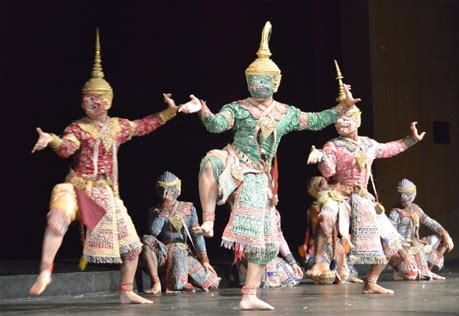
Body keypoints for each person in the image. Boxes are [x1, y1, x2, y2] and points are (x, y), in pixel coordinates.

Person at [181, 21, 360, 310]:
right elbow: (216, 126)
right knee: (210, 160)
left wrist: (343, 107)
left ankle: (249, 294)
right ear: (247, 81)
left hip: (258, 176)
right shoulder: (238, 108)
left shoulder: (285, 114)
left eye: (264, 81)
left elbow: (315, 120)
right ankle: (209, 220)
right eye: (254, 80)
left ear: (276, 82)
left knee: (262, 241)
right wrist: (203, 111)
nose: (258, 85)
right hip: (235, 161)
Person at [29, 30, 193, 304]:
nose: (92, 102)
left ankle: (126, 291)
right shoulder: (78, 128)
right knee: (58, 219)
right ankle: (46, 271)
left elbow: (143, 126)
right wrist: (52, 140)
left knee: (133, 248)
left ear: (108, 100)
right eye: (88, 97)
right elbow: (67, 148)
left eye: (98, 97)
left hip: (107, 195)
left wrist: (170, 112)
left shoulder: (118, 126)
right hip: (79, 189)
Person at [307, 105, 425, 294]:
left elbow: (389, 149)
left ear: (357, 121)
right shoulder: (333, 145)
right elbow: (328, 171)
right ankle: (318, 262)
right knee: (325, 217)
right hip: (339, 194)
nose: (340, 123)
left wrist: (411, 140)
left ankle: (370, 282)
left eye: (345, 119)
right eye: (338, 120)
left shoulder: (368, 144)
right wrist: (321, 157)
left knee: (392, 241)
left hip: (362, 197)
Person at [142, 171, 220, 293]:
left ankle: (185, 282)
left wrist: (205, 260)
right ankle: (156, 282)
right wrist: (165, 207)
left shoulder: (188, 209)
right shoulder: (155, 210)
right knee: (147, 239)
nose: (167, 194)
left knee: (213, 283)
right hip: (163, 253)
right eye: (164, 190)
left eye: (170, 190)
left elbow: (197, 236)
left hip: (182, 253)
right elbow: (154, 232)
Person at [388, 178, 454, 280]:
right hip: (401, 249)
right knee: (412, 275)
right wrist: (404, 256)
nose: (404, 197)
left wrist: (446, 234)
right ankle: (399, 271)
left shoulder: (416, 209)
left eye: (407, 195)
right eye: (401, 195)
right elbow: (391, 237)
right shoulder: (395, 213)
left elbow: (431, 222)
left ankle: (427, 271)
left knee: (441, 239)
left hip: (415, 245)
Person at [302, 176, 362, 284]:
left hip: (334, 245)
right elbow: (322, 228)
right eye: (322, 186)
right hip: (319, 246)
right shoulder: (315, 207)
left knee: (343, 275)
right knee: (327, 277)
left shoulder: (336, 204)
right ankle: (316, 267)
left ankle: (342, 273)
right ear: (316, 190)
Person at [237, 209, 303, 288]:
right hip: (252, 255)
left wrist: (292, 262)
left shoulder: (275, 214)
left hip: (269, 256)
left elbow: (280, 237)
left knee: (294, 274)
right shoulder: (251, 211)